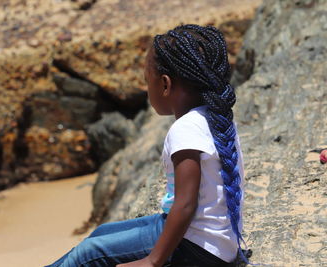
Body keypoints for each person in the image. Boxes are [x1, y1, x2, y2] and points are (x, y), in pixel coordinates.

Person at [45, 24, 246, 267]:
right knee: (102, 233)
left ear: (164, 84)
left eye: (146, 82)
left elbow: (185, 203)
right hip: (215, 241)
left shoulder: (186, 129)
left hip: (198, 248)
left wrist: (152, 261)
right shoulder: (214, 117)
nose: (145, 90)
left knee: (90, 251)